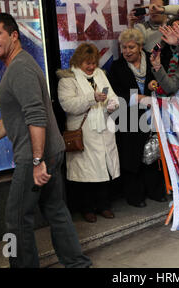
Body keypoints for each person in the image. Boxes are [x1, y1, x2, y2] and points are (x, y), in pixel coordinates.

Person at [0, 13, 91, 268]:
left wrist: (37, 161)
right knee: (56, 210)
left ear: (14, 35)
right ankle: (77, 264)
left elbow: (36, 115)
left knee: (15, 221)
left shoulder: (20, 68)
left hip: (34, 156)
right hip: (48, 151)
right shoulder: (19, 66)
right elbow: (10, 119)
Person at [57, 43, 120, 223]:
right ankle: (87, 209)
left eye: (93, 63)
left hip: (103, 129)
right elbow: (68, 105)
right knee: (86, 174)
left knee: (103, 170)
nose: (91, 67)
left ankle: (104, 206)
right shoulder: (67, 80)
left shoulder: (100, 75)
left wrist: (112, 104)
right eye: (87, 63)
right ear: (78, 61)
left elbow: (112, 96)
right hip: (84, 132)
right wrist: (91, 97)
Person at [107, 29, 167, 208]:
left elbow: (164, 80)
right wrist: (137, 98)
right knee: (132, 157)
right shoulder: (117, 67)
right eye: (124, 47)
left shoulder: (152, 59)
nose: (127, 51)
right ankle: (135, 196)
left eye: (131, 47)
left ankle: (155, 191)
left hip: (152, 115)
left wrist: (154, 87)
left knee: (152, 153)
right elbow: (115, 94)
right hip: (128, 116)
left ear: (140, 46)